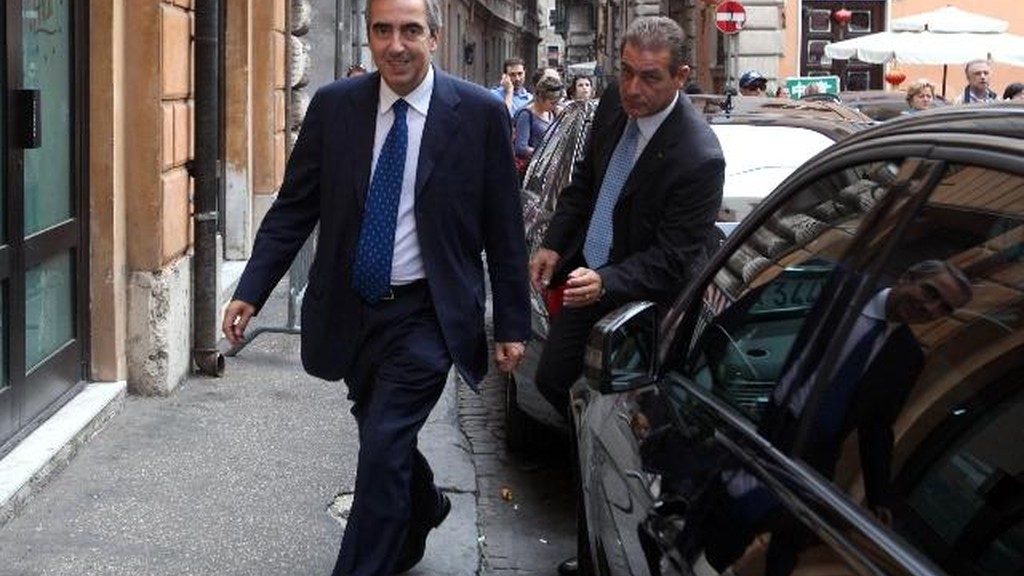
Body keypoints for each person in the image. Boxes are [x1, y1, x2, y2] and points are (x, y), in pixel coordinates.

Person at [220, 0, 532, 572]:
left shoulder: (480, 113)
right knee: (381, 437)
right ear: (369, 35)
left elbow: (504, 227)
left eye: (410, 30)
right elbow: (296, 206)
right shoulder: (336, 106)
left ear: (434, 37)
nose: (395, 44)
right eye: (382, 30)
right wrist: (252, 288)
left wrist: (512, 323)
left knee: (384, 443)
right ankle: (424, 505)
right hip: (352, 309)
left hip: (429, 313)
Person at [528, 15, 725, 575]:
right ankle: (594, 477)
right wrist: (554, 243)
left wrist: (610, 281)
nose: (634, 88)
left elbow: (674, 258)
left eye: (651, 77)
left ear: (680, 77)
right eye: (627, 72)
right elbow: (585, 184)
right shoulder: (615, 102)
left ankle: (617, 538)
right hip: (589, 272)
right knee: (553, 379)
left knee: (633, 428)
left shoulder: (699, 155)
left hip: (644, 302)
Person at [699, 260, 973, 576]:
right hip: (755, 418)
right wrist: (698, 382)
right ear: (906, 276)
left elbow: (878, 427)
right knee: (718, 512)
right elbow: (737, 322)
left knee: (780, 535)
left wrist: (879, 495)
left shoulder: (907, 357)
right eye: (930, 292)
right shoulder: (828, 282)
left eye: (945, 308)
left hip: (810, 455)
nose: (931, 308)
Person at [513, 75, 563, 172]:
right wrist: (546, 153)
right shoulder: (526, 115)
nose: (555, 106)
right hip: (531, 169)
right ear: (540, 98)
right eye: (552, 103)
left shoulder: (553, 113)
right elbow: (520, 148)